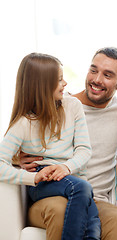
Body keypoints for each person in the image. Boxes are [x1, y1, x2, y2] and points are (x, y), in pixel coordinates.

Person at [19, 47, 117, 240]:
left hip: (93, 200)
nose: (96, 79)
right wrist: (17, 157)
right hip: (51, 197)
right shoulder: (61, 104)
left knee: (116, 218)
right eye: (93, 70)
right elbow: (19, 132)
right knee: (60, 210)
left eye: (107, 75)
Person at [1, 53, 100, 239]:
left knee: (92, 217)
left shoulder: (73, 106)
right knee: (83, 188)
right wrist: (32, 177)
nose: (65, 84)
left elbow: (84, 150)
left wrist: (66, 167)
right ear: (42, 86)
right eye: (60, 79)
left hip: (68, 174)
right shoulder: (23, 123)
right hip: (44, 178)